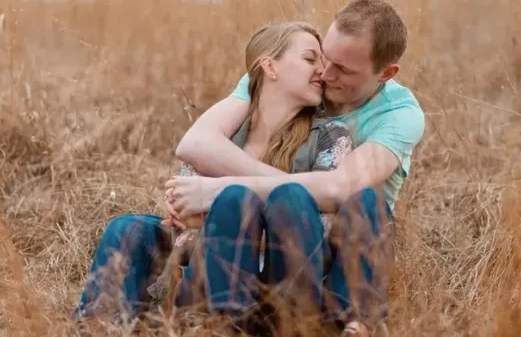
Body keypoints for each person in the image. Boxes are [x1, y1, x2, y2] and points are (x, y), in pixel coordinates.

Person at [72, 21, 354, 335]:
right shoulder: (226, 133)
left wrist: (226, 205)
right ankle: (100, 328)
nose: (322, 71)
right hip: (206, 271)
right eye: (310, 58)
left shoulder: (329, 138)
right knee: (128, 228)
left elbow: (319, 228)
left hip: (278, 284)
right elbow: (185, 231)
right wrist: (198, 218)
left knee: (236, 200)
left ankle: (220, 328)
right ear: (270, 66)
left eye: (323, 62)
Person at [168, 0, 426, 336]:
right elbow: (196, 143)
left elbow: (340, 188)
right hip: (269, 230)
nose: (325, 73)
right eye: (324, 56)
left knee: (366, 203)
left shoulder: (399, 115)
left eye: (344, 70)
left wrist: (217, 189)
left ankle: (348, 321)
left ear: (386, 73)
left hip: (346, 248)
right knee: (133, 228)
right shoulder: (289, 74)